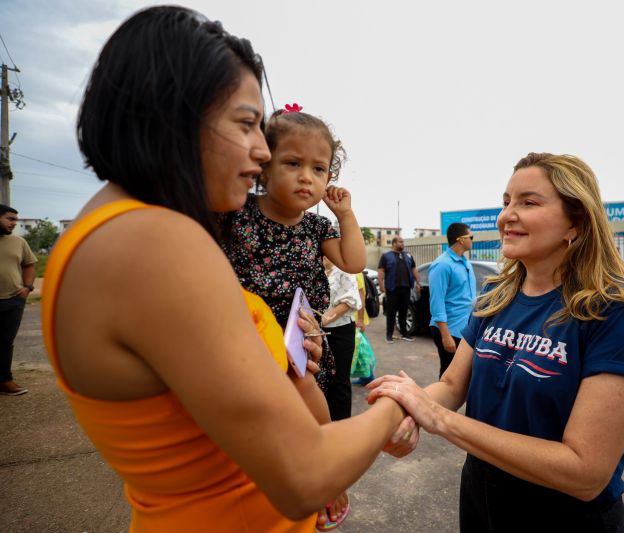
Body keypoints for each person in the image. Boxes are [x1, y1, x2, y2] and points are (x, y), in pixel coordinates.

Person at [40, 7, 413, 531]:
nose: (261, 152)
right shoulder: (154, 243)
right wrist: (414, 401)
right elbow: (303, 473)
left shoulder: (118, 231)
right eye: (246, 125)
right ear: (170, 115)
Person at [369, 152, 624, 532]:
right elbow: (451, 385)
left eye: (528, 202)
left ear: (575, 220)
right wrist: (406, 412)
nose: (507, 215)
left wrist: (438, 420)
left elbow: (585, 471)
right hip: (483, 496)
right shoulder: (496, 295)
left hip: (565, 516)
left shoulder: (618, 311)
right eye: (506, 201)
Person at [222, 106, 366, 390]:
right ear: (263, 168)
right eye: (292, 163)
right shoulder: (237, 213)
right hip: (245, 340)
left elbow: (354, 261)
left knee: (311, 416)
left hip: (300, 344)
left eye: (318, 168)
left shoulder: (317, 227)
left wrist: (345, 215)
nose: (306, 177)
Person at [428, 222, 476, 377]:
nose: (472, 240)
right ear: (461, 239)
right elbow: (437, 302)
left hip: (465, 328)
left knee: (464, 375)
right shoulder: (442, 265)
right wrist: (445, 335)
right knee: (449, 375)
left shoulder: (464, 262)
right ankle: (440, 402)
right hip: (449, 329)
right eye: (471, 237)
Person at [0, 205, 36, 396]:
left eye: (16, 219)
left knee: (6, 342)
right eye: (10, 219)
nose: (14, 223)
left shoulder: (18, 242)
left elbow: (29, 264)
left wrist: (27, 288)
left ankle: (5, 381)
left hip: (12, 300)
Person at [320, 257, 360, 420]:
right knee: (322, 379)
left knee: (339, 380)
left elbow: (349, 302)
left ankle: (342, 424)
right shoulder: (316, 271)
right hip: (318, 333)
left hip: (340, 332)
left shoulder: (343, 270)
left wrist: (322, 320)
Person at [378, 237, 420, 343]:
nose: (403, 244)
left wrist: (418, 283)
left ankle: (404, 334)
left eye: (403, 242)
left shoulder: (408, 255)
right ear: (394, 243)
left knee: (403, 312)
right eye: (400, 242)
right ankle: (389, 335)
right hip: (392, 289)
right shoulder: (386, 256)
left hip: (406, 288)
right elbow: (381, 271)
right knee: (391, 313)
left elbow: (414, 269)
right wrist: (381, 285)